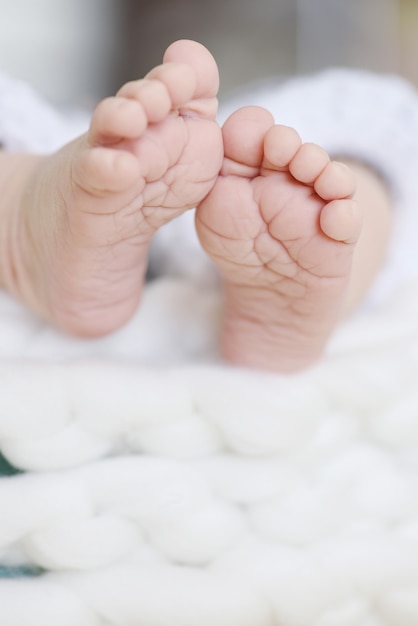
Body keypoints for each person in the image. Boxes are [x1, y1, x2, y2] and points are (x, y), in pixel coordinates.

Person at [0, 40, 396, 372]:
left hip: (63, 143)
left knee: (351, 148)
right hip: (76, 151)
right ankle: (28, 214)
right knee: (369, 140)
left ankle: (21, 201)